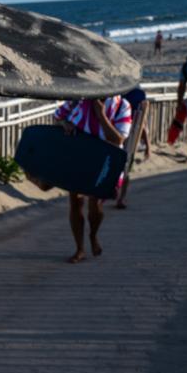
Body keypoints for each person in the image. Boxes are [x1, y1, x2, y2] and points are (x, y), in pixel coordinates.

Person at [50, 96, 132, 263]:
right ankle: (79, 249)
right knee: (76, 201)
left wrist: (101, 115)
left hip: (105, 161)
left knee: (96, 203)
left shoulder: (122, 105)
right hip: (79, 155)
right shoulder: (78, 99)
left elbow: (117, 139)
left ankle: (93, 235)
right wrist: (64, 124)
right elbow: (57, 117)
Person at [115, 85, 150, 209]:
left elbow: (141, 121)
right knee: (124, 164)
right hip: (119, 131)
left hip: (128, 132)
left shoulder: (135, 93)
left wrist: (148, 147)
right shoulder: (136, 93)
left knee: (125, 164)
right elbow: (142, 122)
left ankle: (121, 197)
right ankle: (118, 196)